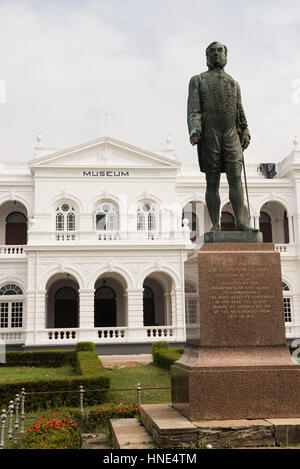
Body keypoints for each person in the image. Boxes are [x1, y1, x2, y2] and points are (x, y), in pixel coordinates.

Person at [188, 41, 255, 232]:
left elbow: (239, 111)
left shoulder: (234, 84)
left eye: (220, 51)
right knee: (212, 181)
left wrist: (245, 129)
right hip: (210, 134)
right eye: (212, 52)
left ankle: (241, 222)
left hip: (231, 133)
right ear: (206, 57)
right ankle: (216, 225)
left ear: (226, 56)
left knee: (236, 177)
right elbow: (193, 109)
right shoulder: (198, 80)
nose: (216, 54)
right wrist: (195, 129)